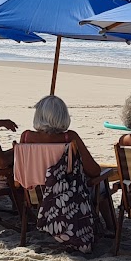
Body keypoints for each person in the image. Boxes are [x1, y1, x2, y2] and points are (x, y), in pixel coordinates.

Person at [21, 94, 114, 229]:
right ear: (63, 116)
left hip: (38, 193)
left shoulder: (27, 137)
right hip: (68, 196)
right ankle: (111, 226)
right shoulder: (69, 137)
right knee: (102, 182)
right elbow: (93, 171)